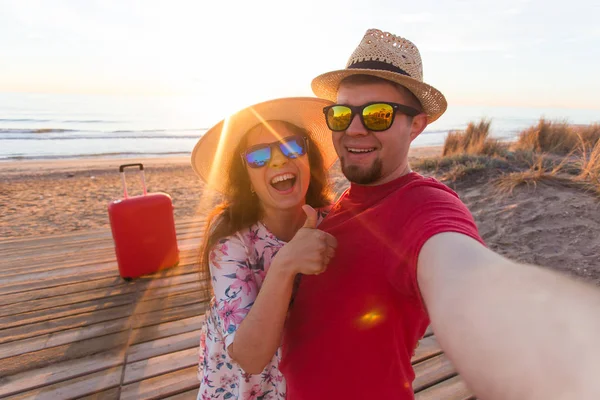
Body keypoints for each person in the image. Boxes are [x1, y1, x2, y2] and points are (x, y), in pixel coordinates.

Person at [280, 29, 600, 400]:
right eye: (341, 113)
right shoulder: (340, 205)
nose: (353, 128)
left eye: (378, 115)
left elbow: (470, 277)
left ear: (417, 125)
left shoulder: (424, 207)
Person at [191, 97, 339, 400]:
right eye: (258, 156)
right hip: (245, 388)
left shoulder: (334, 222)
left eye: (292, 147)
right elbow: (250, 357)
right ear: (246, 178)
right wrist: (286, 263)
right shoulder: (230, 243)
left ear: (308, 159)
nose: (277, 161)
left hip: (309, 380)